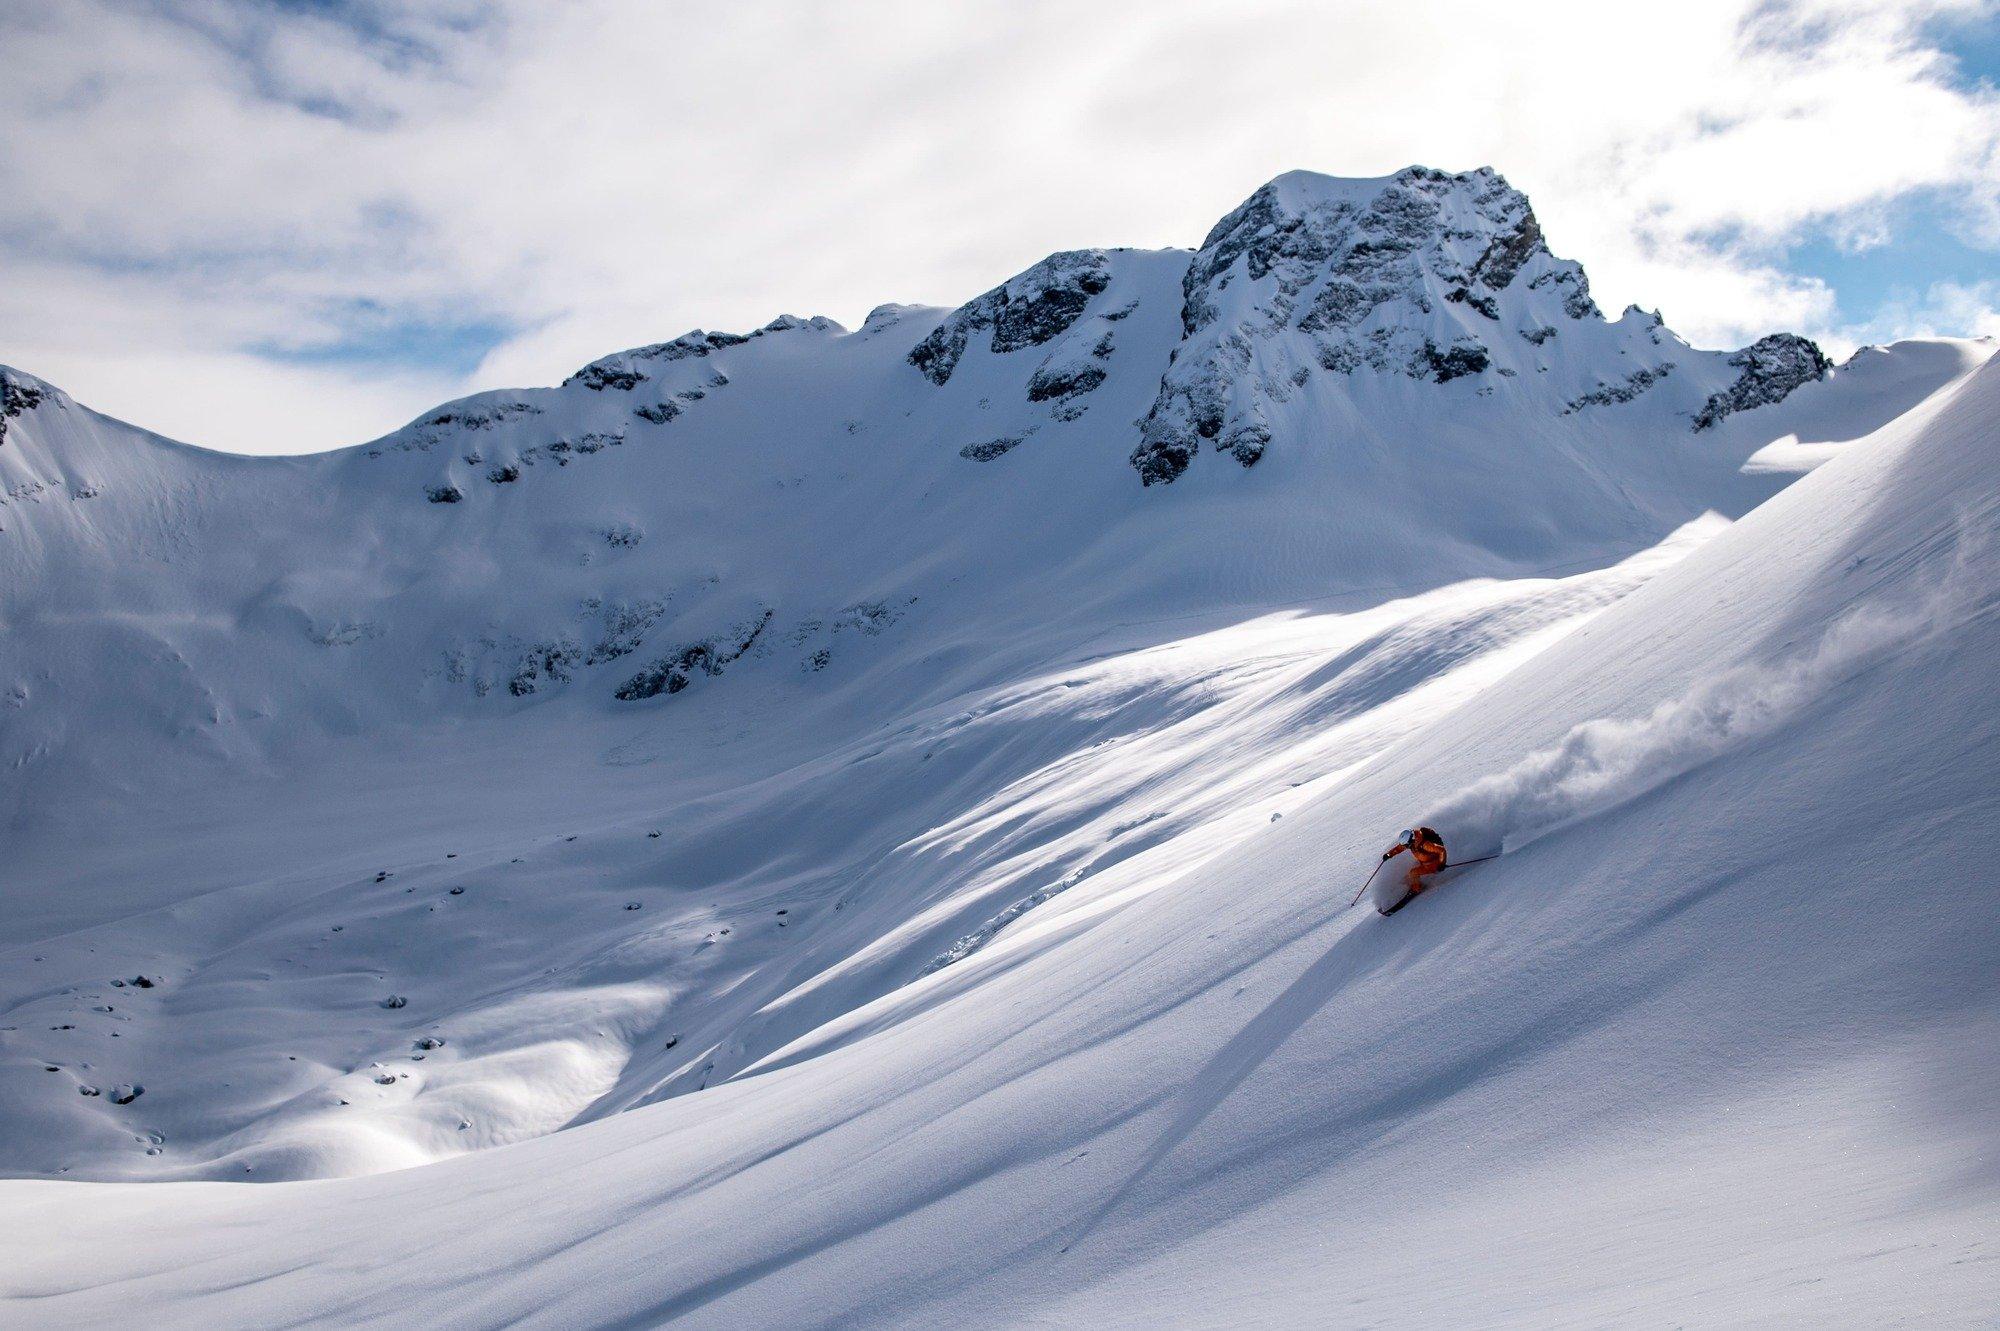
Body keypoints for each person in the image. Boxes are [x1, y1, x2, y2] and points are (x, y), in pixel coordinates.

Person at [1382, 826, 1448, 899]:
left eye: (1406, 845)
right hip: (1423, 862)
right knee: (1408, 876)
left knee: (1413, 873)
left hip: (1433, 864)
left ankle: (1416, 889)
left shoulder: (1425, 845)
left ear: (1411, 840)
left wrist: (1442, 864)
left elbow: (1441, 850)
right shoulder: (1412, 842)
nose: (1405, 847)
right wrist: (1389, 854)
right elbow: (1399, 848)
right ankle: (1409, 885)